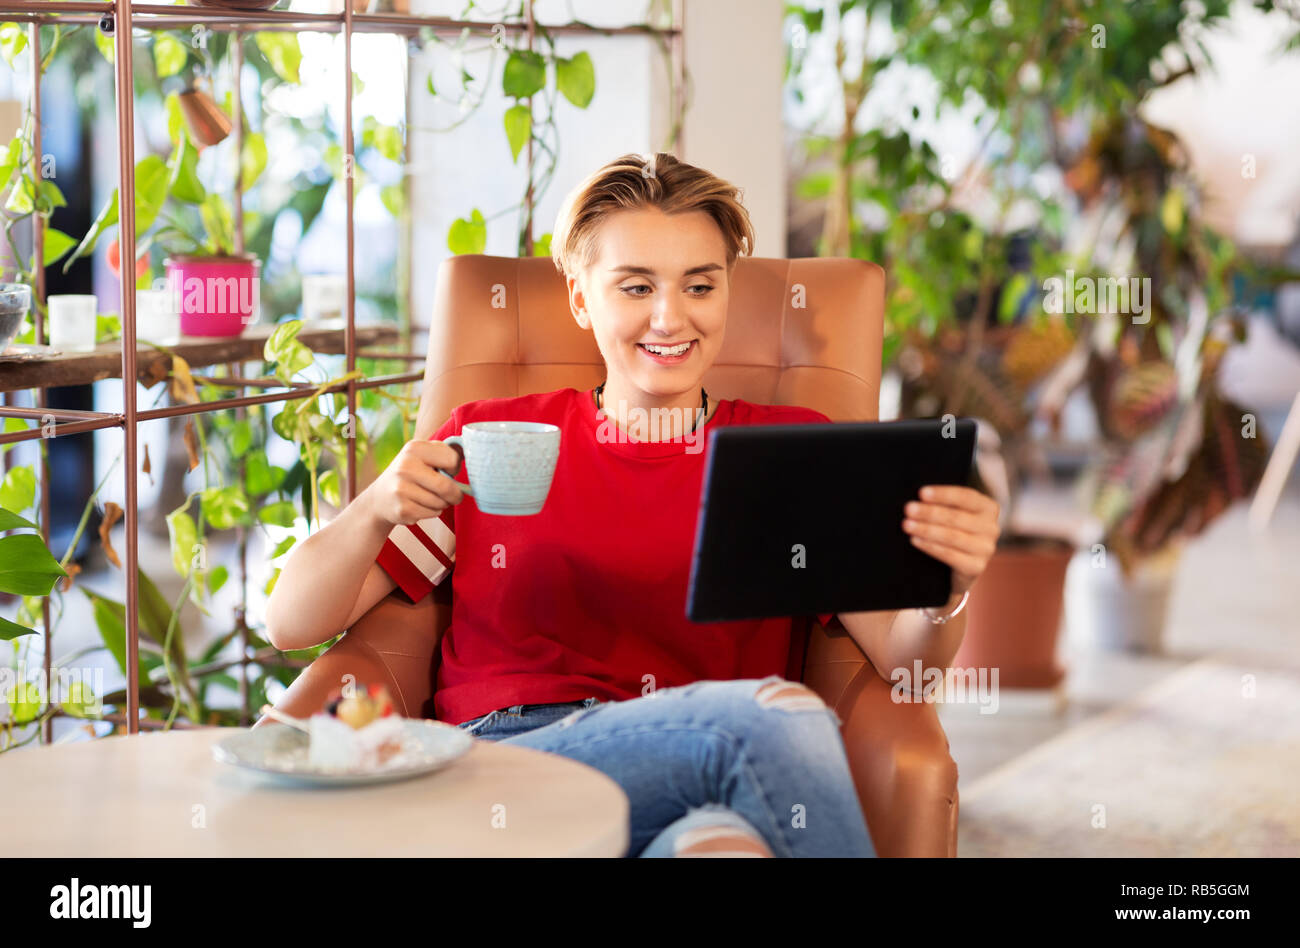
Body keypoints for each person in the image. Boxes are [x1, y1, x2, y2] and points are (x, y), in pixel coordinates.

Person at [266, 152, 1001, 857]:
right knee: (777, 721)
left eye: (700, 286)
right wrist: (373, 509)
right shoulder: (496, 439)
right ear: (582, 298)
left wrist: (946, 589)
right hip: (517, 766)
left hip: (703, 790)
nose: (670, 318)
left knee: (728, 850)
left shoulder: (792, 452)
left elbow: (908, 664)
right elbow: (292, 623)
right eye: (637, 286)